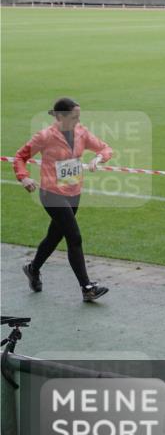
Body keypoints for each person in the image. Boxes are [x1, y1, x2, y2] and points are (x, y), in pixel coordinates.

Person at [13, 98, 113, 303]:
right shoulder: (45, 136)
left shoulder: (81, 133)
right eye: (73, 116)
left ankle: (33, 268)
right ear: (60, 116)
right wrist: (23, 177)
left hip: (74, 191)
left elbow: (105, 148)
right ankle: (87, 288)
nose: (78, 119)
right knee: (74, 237)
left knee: (53, 237)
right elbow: (20, 157)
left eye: (79, 116)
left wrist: (98, 158)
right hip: (52, 194)